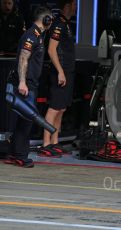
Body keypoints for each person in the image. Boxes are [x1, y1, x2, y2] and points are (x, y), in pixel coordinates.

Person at [4, 6, 52, 167]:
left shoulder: (39, 35)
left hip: (30, 83)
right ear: (46, 20)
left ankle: (13, 153)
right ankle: (20, 155)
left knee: (22, 119)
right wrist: (23, 82)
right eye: (50, 19)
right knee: (26, 121)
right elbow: (23, 59)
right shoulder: (31, 36)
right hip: (25, 84)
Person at [40, 0, 76, 157]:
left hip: (68, 71)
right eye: (74, 5)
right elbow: (51, 49)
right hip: (59, 72)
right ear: (67, 6)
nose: (76, 8)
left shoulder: (67, 23)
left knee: (61, 108)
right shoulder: (57, 24)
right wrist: (60, 71)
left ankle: (55, 142)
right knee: (54, 107)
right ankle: (45, 144)